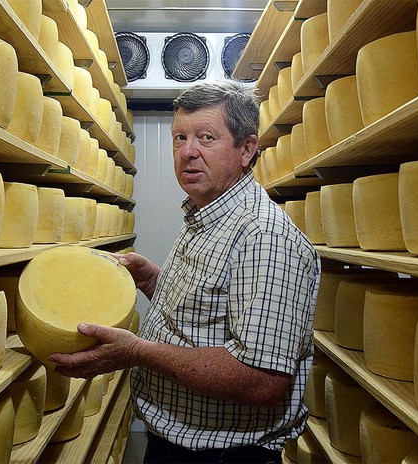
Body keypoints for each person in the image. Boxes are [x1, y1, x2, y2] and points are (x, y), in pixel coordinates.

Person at [50, 80, 320, 464]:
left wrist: (138, 352)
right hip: (178, 447)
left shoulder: (264, 236)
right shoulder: (204, 214)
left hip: (225, 456)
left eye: (206, 137)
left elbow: (261, 380)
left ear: (247, 149)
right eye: (179, 138)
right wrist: (150, 279)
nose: (187, 152)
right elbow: (210, 312)